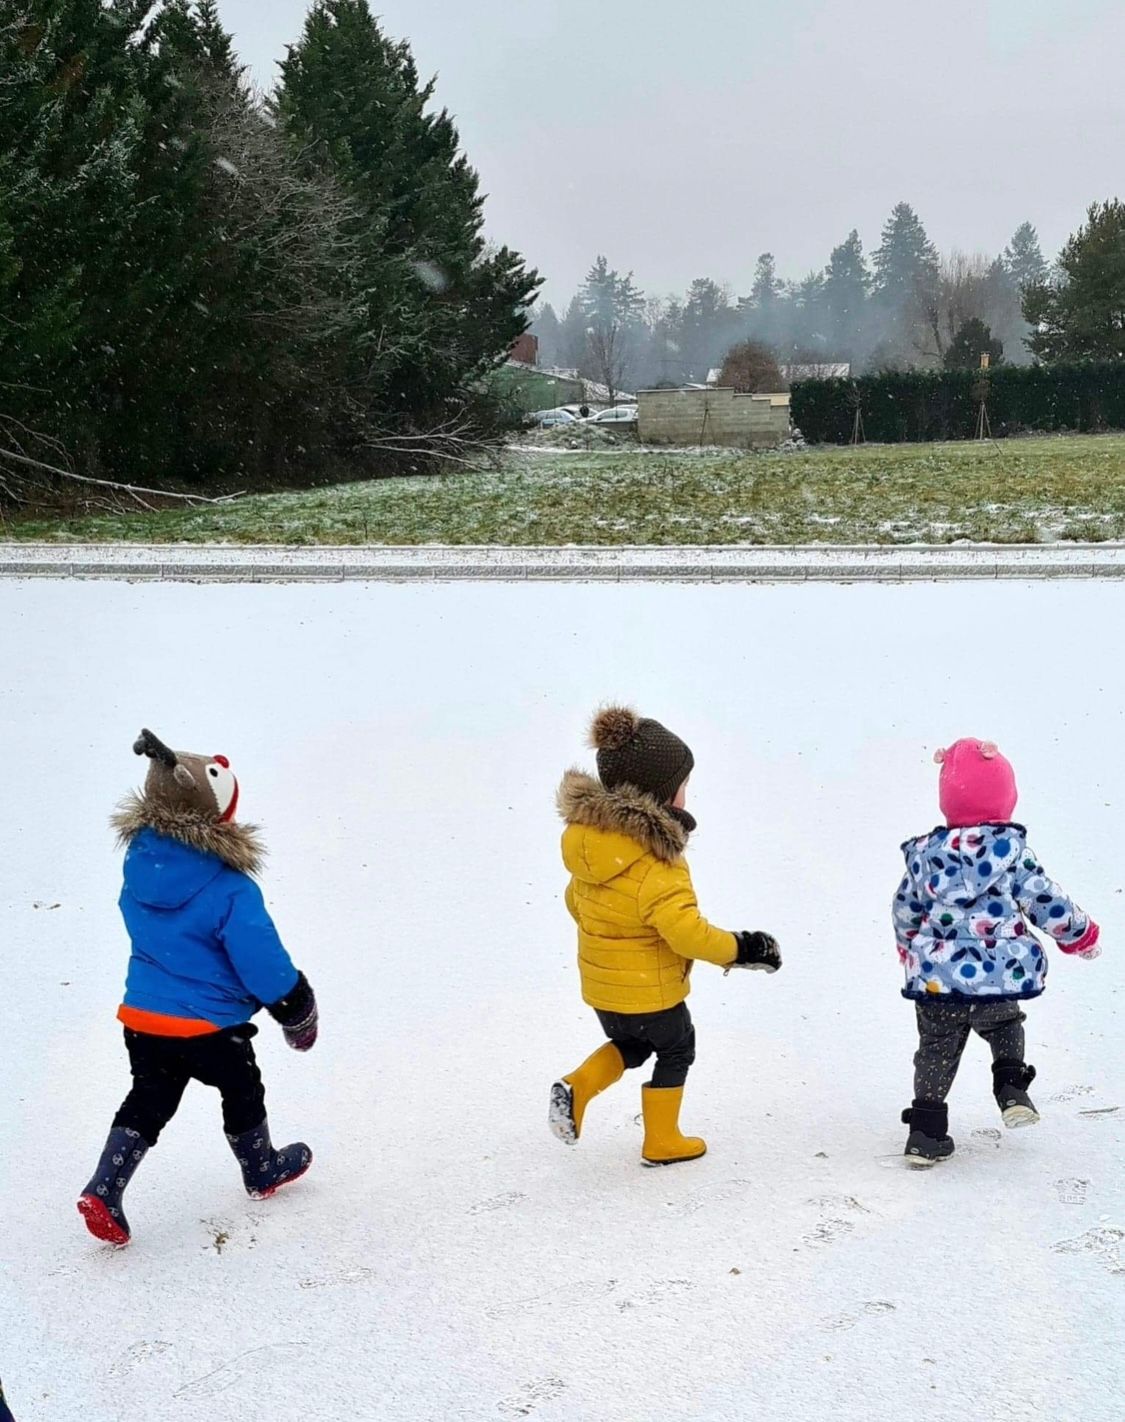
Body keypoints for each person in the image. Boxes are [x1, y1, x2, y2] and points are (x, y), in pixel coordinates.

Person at [77, 730, 318, 1247]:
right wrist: (295, 1005)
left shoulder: (139, 870)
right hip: (211, 1027)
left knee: (148, 1098)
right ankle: (261, 1168)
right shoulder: (230, 887)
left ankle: (105, 1187)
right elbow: (260, 959)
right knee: (242, 1089)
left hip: (146, 1020)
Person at [550, 707, 780, 1166]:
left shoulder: (590, 846)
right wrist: (741, 948)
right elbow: (686, 934)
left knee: (631, 1046)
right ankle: (662, 1139)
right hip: (652, 991)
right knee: (677, 1047)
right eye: (681, 786)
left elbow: (574, 904)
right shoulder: (657, 862)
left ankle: (577, 1088)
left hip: (603, 992)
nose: (685, 795)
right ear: (658, 794)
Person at [894, 737, 1101, 1167]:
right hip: (997, 976)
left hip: (937, 983)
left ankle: (925, 1133)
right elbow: (1045, 900)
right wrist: (1078, 935)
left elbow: (905, 910)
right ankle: (1010, 1085)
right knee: (1005, 1021)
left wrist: (909, 949)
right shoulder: (1012, 854)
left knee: (935, 1048)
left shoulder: (927, 857)